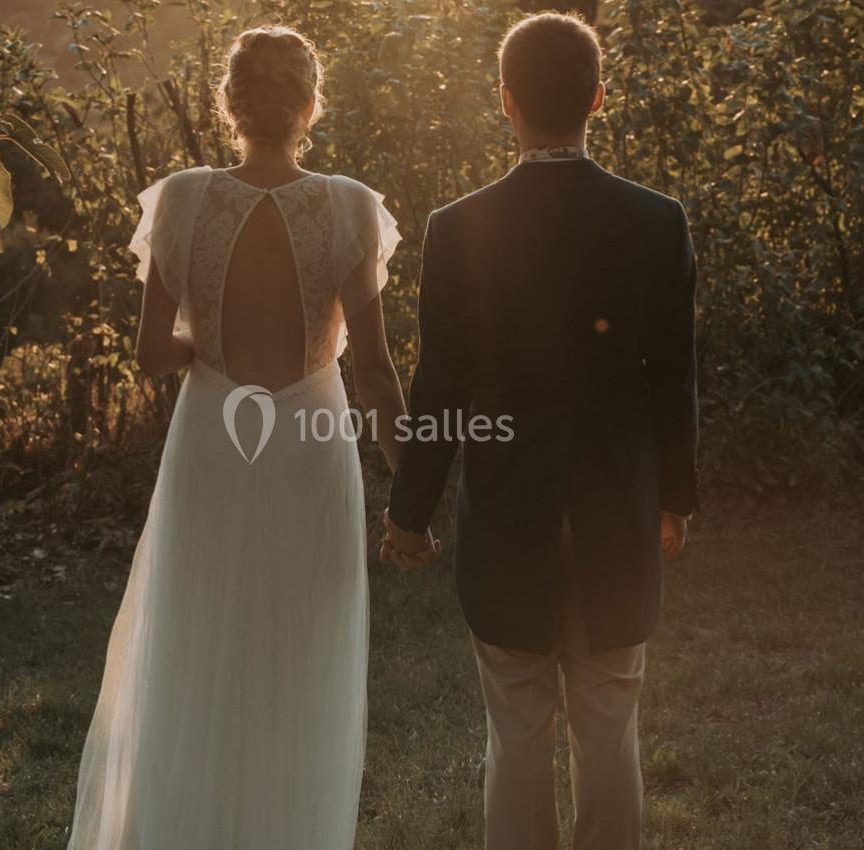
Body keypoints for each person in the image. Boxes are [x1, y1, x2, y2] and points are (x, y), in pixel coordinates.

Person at [65, 25, 406, 849]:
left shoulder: (182, 200)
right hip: (312, 444)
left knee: (197, 648)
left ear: (229, 104)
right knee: (300, 660)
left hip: (212, 440)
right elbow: (375, 375)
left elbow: (151, 355)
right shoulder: (349, 206)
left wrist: (207, 351)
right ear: (311, 105)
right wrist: (415, 490)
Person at [382, 12, 700, 850]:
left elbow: (441, 381)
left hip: (507, 505)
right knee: (610, 720)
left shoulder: (458, 226)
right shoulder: (657, 219)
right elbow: (672, 374)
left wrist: (410, 512)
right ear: (597, 98)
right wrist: (675, 495)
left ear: (507, 101)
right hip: (616, 501)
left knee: (517, 725)